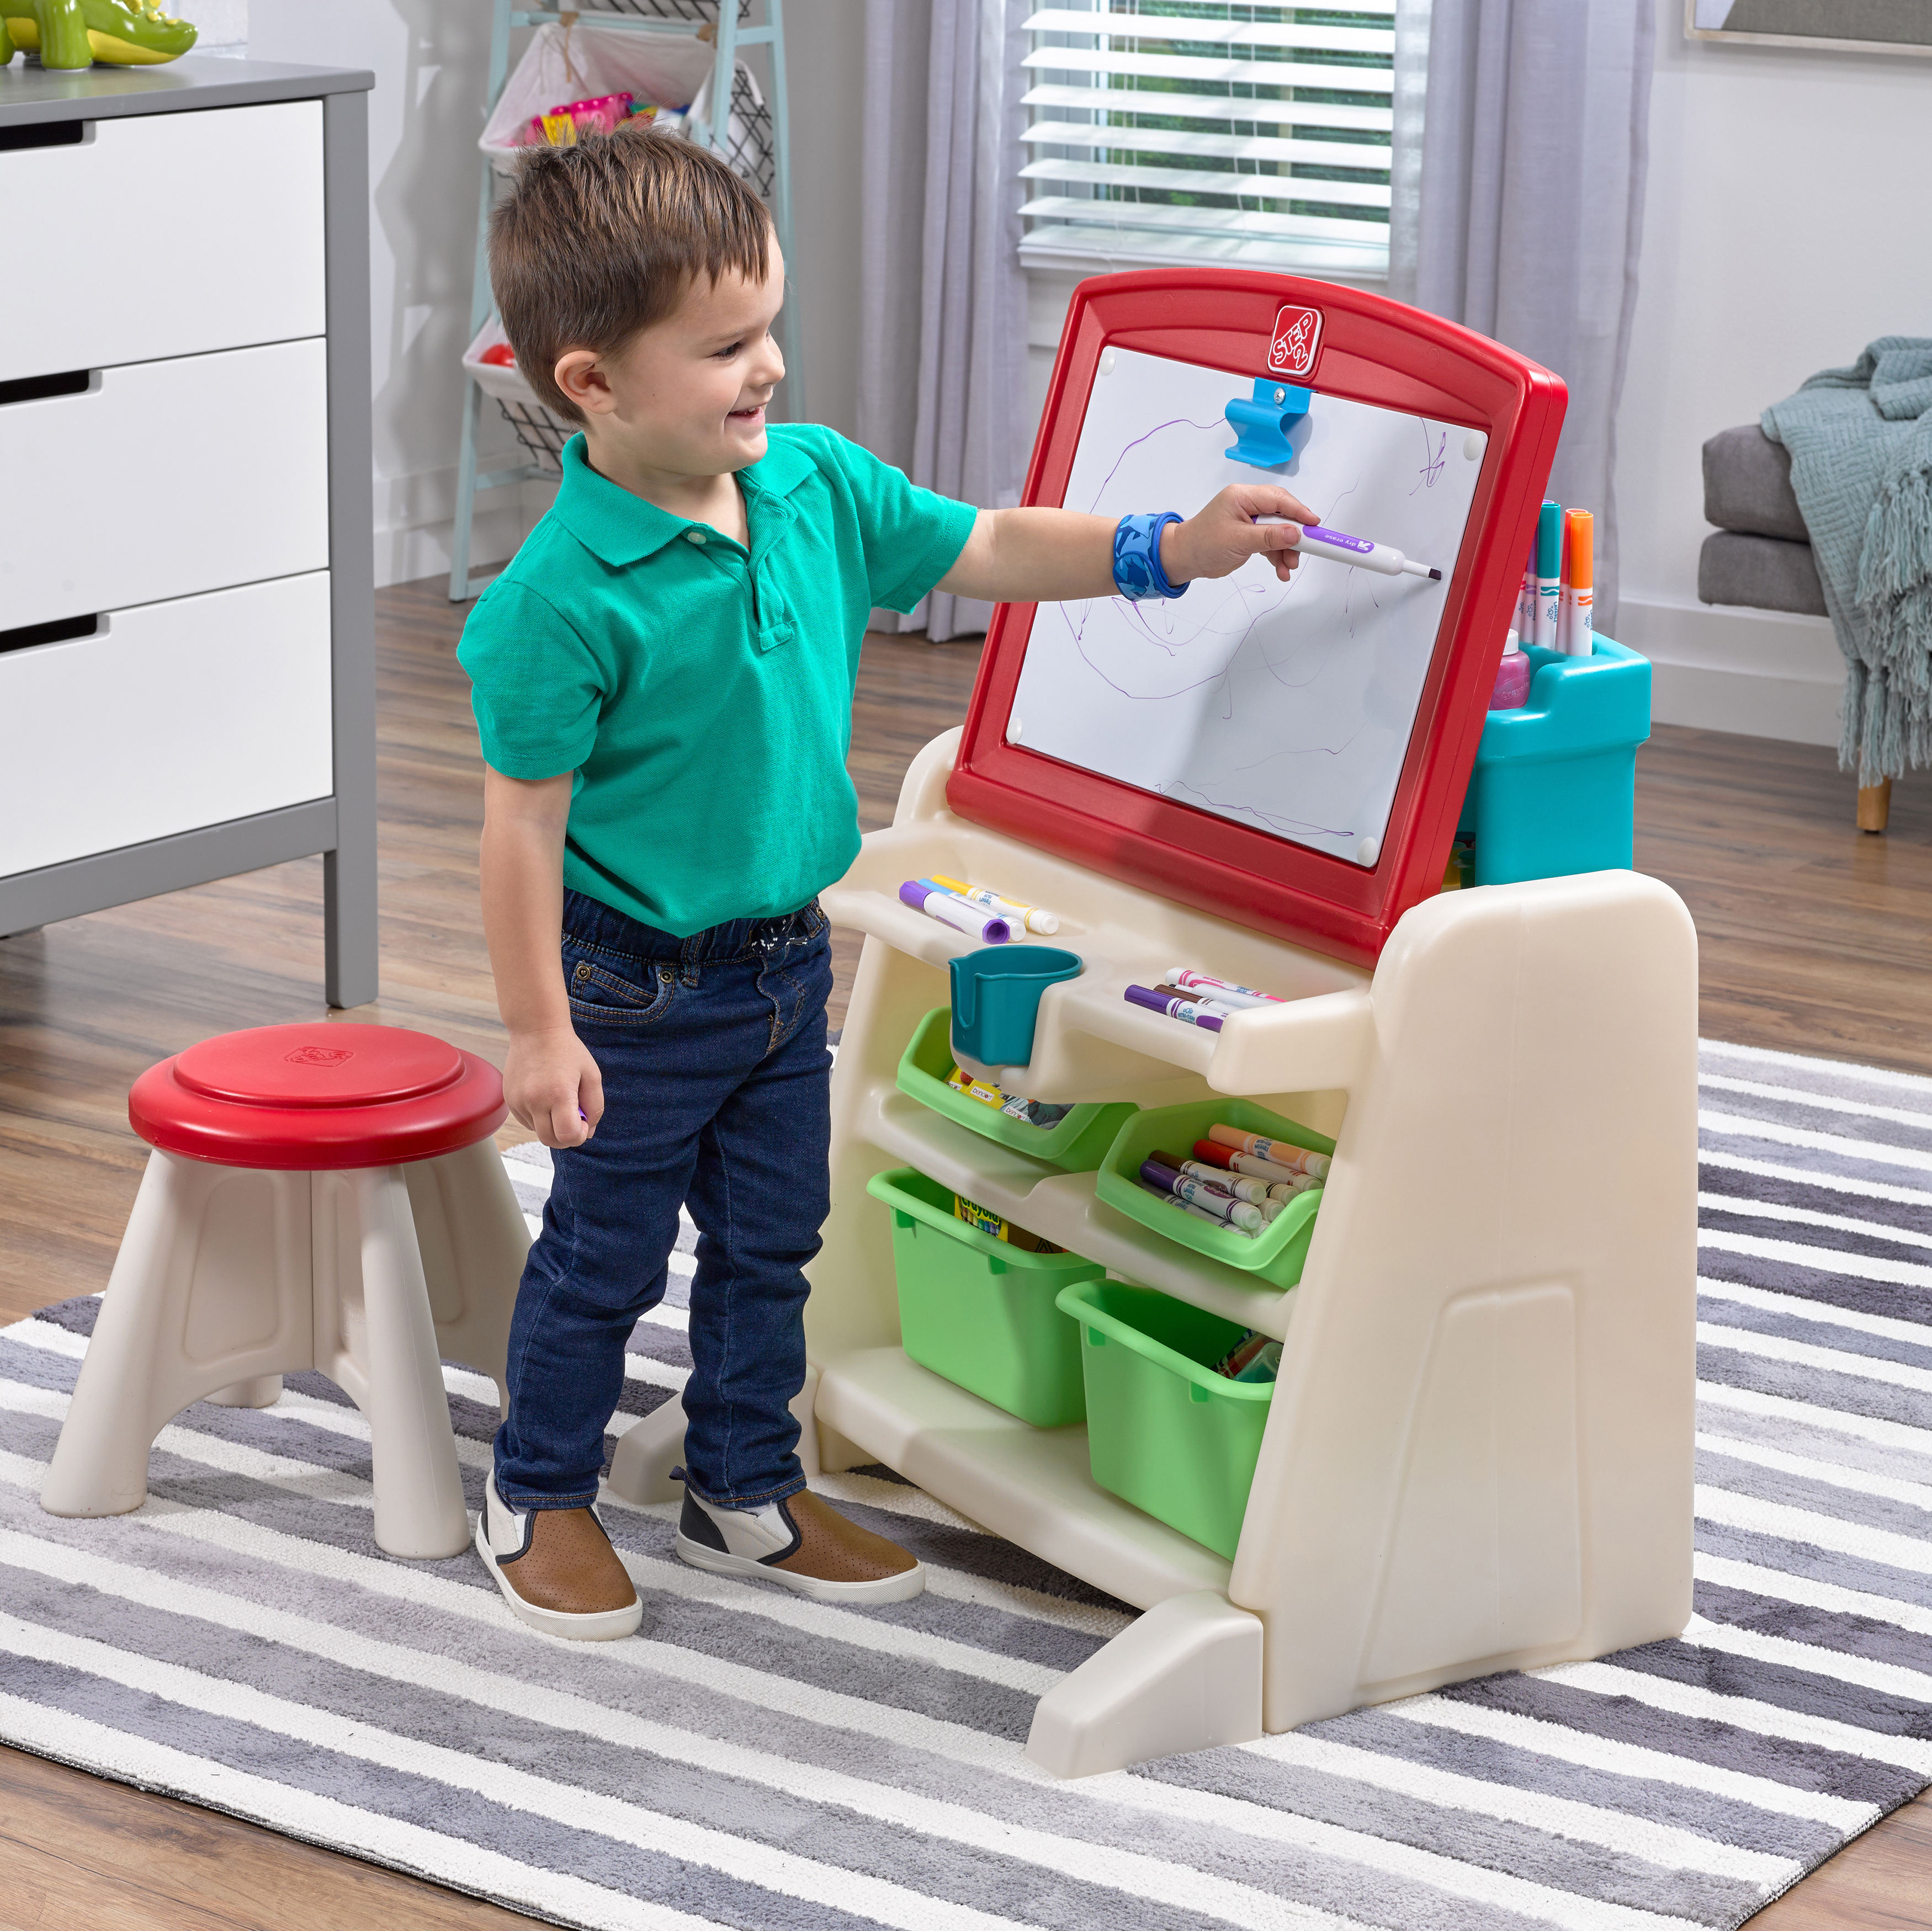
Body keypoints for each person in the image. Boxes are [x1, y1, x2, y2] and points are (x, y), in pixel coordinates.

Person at [459, 123, 1312, 1640]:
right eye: (725, 347)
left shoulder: (815, 489)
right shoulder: (556, 602)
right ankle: (539, 1489)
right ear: (589, 384)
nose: (768, 365)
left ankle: (740, 1482)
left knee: (778, 1242)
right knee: (606, 1256)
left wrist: (1167, 545)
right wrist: (538, 1028)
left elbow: (984, 543)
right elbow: (519, 830)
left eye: (769, 324)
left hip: (790, 965)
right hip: (633, 985)